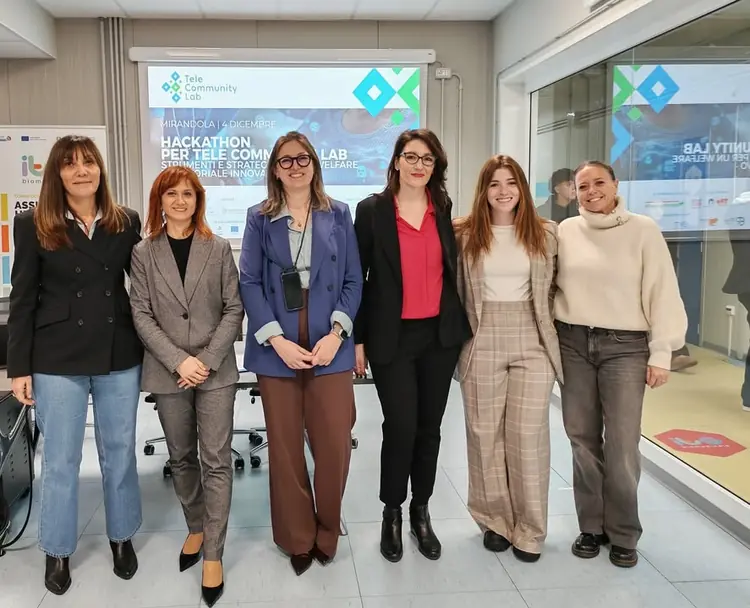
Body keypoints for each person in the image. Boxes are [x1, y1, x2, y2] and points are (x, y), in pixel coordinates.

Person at [6, 135, 143, 595]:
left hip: (117, 351)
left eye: (89, 162)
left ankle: (122, 537)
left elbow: (144, 287)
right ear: (57, 174)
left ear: (101, 169)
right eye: (70, 164)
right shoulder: (33, 223)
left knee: (119, 451)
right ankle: (58, 549)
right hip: (56, 357)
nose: (81, 171)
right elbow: (22, 299)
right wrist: (19, 368)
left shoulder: (125, 221)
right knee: (61, 459)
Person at [239, 131, 362, 576]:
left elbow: (353, 279)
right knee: (285, 445)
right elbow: (249, 282)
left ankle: (327, 530)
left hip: (330, 333)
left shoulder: (339, 213)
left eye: (303, 158)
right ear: (275, 169)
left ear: (314, 163)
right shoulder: (259, 218)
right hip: (278, 337)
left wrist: (337, 334)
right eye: (286, 160)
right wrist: (276, 340)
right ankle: (297, 536)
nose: (295, 166)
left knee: (334, 443)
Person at [555, 160, 687, 568]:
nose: (591, 191)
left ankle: (624, 532)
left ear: (615, 185)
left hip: (625, 347)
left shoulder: (643, 230)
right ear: (574, 192)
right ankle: (591, 526)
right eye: (582, 186)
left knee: (623, 442)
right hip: (573, 341)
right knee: (581, 437)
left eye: (599, 182)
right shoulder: (565, 231)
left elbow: (663, 292)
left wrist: (662, 353)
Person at [353, 128, 471, 563]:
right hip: (392, 337)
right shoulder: (372, 211)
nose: (419, 165)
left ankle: (422, 511)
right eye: (411, 156)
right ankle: (392, 511)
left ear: (435, 166)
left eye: (427, 159)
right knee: (400, 426)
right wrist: (357, 339)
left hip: (438, 336)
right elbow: (358, 278)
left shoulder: (442, 207)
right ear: (397, 161)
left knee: (429, 428)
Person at [129, 165, 243, 607]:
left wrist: (205, 361)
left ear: (199, 201)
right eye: (171, 194)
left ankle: (213, 551)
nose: (180, 201)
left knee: (216, 459)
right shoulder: (143, 252)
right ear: (159, 200)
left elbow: (233, 308)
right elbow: (141, 313)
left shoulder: (218, 249)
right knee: (180, 456)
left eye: (188, 194)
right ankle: (195, 526)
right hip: (167, 369)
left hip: (215, 370)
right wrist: (180, 360)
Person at [453, 154, 562, 562]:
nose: (503, 191)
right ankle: (494, 521)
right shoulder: (463, 234)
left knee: (528, 437)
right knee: (484, 435)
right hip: (480, 338)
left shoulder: (546, 233)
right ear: (483, 190)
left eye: (511, 182)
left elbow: (556, 288)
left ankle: (530, 529)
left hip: (532, 340)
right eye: (495, 183)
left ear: (522, 188)